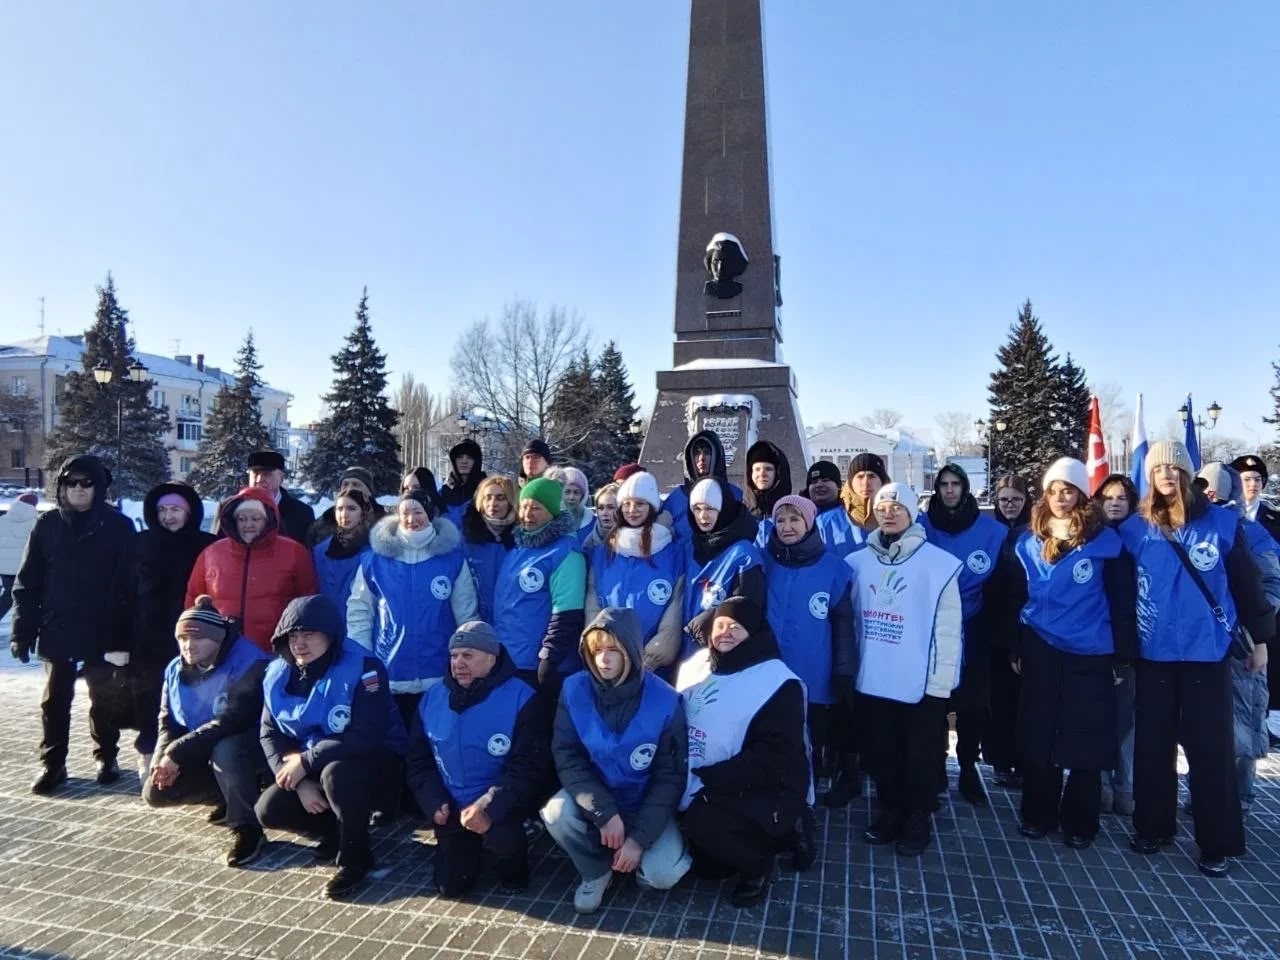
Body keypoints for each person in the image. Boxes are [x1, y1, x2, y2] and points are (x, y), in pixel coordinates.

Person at [1117, 441, 1273, 877]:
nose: (1166, 474)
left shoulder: (1222, 523)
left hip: (1207, 655)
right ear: (1150, 477)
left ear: (1188, 475)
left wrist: (1261, 639)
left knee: (1211, 750)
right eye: (1158, 469)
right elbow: (1121, 592)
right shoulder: (1135, 529)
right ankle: (1153, 826)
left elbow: (1246, 583)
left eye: (1174, 467)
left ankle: (1216, 841)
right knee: (1152, 747)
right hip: (1154, 655)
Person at [1004, 459, 1137, 849]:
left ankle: (1081, 820)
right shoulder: (1027, 540)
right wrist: (1015, 645)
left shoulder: (1106, 543)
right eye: (1053, 490)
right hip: (1040, 646)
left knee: (1086, 739)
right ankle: (1038, 813)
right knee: (1039, 732)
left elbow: (1121, 601)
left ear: (1080, 494)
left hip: (1090, 652)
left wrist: (1122, 656)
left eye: (1068, 490)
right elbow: (1014, 596)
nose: (1060, 498)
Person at [542, 608, 691, 914]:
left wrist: (638, 839)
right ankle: (596, 871)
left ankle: (638, 857)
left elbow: (669, 776)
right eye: (597, 650)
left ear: (632, 653)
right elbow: (568, 757)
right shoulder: (573, 689)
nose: (603, 659)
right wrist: (603, 812)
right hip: (599, 801)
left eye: (613, 650)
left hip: (645, 803)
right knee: (556, 812)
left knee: (663, 876)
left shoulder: (665, 700)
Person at [257, 595, 406, 899]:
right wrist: (297, 780)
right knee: (268, 809)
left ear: (331, 634)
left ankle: (356, 858)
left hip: (374, 761)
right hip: (312, 761)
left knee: (337, 775)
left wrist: (306, 763)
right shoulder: (276, 674)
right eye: (293, 636)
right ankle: (337, 831)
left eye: (309, 634)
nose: (299, 643)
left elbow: (366, 734)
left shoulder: (365, 668)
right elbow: (269, 732)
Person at [847, 483, 962, 857]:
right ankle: (890, 810)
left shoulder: (938, 564)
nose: (889, 512)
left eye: (897, 506)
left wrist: (941, 683)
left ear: (912, 512)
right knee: (882, 752)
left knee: (920, 755)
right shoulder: (856, 563)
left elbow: (948, 629)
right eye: (882, 506)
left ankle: (917, 817)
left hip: (920, 682)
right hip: (874, 678)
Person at [11, 455, 137, 793]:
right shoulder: (48, 525)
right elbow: (28, 583)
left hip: (103, 628)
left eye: (86, 482)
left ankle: (106, 755)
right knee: (54, 700)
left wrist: (124, 637)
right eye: (71, 483)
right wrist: (23, 632)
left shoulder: (119, 527)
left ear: (99, 487)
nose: (78, 489)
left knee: (104, 696)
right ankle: (53, 763)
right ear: (62, 487)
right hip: (59, 626)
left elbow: (129, 587)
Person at [676, 597, 809, 908]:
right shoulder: (697, 665)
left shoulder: (777, 681)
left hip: (762, 785)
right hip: (703, 776)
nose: (726, 633)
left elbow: (775, 754)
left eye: (737, 627)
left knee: (703, 823)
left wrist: (719, 778)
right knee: (707, 869)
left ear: (755, 633)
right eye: (720, 625)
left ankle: (759, 864)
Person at [406, 621, 553, 896]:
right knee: (451, 886)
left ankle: (520, 842)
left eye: (468, 655)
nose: (458, 663)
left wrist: (489, 806)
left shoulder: (523, 698)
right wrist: (434, 800)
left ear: (491, 658)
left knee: (513, 874)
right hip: (453, 806)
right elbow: (418, 761)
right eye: (454, 655)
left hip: (501, 806)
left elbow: (528, 767)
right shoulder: (432, 698)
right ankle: (468, 846)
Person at [762, 494, 855, 865]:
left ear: (809, 524)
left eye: (794, 520)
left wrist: (844, 672)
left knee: (804, 756)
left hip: (812, 679)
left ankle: (802, 825)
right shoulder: (763, 561)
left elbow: (844, 627)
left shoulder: (835, 569)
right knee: (769, 751)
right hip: (768, 677)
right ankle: (770, 821)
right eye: (780, 520)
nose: (787, 527)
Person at [143, 596, 270, 867]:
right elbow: (168, 721)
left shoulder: (250, 663)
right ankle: (228, 796)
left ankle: (247, 828)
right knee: (155, 792)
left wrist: (177, 752)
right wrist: (161, 762)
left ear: (217, 637)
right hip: (203, 743)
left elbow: (232, 721)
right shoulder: (175, 670)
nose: (188, 646)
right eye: (182, 639)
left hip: (254, 746)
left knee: (226, 749)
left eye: (198, 638)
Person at [346, 489, 478, 725]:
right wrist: (364, 658)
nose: (411, 519)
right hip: (390, 672)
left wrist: (466, 661)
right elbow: (360, 612)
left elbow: (466, 615)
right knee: (393, 744)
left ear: (429, 514)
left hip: (439, 673)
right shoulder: (375, 561)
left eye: (418, 511)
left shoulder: (452, 560)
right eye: (405, 512)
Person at [918, 462, 1008, 807]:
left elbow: (1001, 585)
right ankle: (938, 765)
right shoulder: (922, 527)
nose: (950, 490)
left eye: (956, 484)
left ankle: (969, 766)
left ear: (965, 488)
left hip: (974, 624)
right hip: (934, 624)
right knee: (937, 698)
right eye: (944, 484)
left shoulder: (991, 531)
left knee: (972, 703)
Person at [1196, 462, 1280, 815]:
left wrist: (1250, 630)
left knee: (1242, 724)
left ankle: (1240, 798)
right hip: (1203, 645)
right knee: (1205, 725)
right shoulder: (1191, 528)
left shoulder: (1249, 532)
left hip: (1239, 644)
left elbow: (1271, 586)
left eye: (1211, 490)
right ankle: (1201, 795)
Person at [133, 482, 217, 780]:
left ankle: (188, 760)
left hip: (196, 637)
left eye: (175, 510)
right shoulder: (140, 543)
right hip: (149, 637)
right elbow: (121, 591)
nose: (168, 516)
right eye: (162, 510)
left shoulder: (206, 544)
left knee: (195, 699)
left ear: (189, 512)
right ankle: (148, 755)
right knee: (150, 698)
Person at [186, 487, 318, 652]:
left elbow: (308, 602)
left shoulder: (294, 552)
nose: (248, 524)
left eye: (256, 518)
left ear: (268, 519)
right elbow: (193, 600)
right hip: (222, 653)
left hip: (276, 653)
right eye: (242, 519)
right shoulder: (211, 553)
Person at [586, 470, 686, 676]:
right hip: (605, 664)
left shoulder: (673, 554)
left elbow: (673, 616)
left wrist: (647, 660)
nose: (632, 510)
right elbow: (592, 606)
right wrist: (599, 649)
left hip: (651, 669)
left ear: (652, 507)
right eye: (627, 504)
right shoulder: (604, 552)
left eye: (640, 504)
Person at [492, 477, 586, 686]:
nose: (527, 514)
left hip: (539, 666)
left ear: (552, 512)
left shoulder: (565, 552)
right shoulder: (518, 549)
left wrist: (549, 658)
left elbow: (567, 611)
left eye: (536, 508)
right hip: (509, 659)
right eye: (524, 507)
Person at [1091, 473, 1141, 815]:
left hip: (1132, 645)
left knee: (1126, 721)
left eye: (1122, 497)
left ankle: (1125, 787)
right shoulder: (1091, 537)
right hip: (1094, 642)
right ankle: (1100, 785)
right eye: (1108, 497)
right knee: (1097, 719)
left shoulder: (1142, 537)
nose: (1114, 503)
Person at [682, 477, 765, 661]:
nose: (703, 516)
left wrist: (703, 625)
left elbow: (746, 609)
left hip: (722, 654)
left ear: (723, 510)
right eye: (697, 509)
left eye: (710, 509)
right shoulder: (690, 548)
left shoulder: (744, 554)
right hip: (685, 655)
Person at [986, 474, 1032, 788]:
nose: (1010, 505)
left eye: (1015, 499)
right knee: (998, 703)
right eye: (1004, 500)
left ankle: (1024, 761)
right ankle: (1001, 761)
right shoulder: (992, 533)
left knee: (1024, 703)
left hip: (1025, 626)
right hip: (993, 629)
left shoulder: (1033, 532)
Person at [1232, 454, 1280, 744]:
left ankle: (1264, 722)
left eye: (1257, 479)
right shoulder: (1222, 517)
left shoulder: (1273, 518)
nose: (1252, 484)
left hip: (1268, 607)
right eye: (1246, 479)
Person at [311, 487, 374, 631]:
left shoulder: (374, 552)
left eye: (351, 508)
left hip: (361, 630)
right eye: (339, 509)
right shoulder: (320, 551)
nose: (344, 514)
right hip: (325, 629)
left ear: (363, 512)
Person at [662, 431, 743, 542]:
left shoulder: (735, 495)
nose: (701, 458)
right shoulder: (676, 499)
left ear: (717, 456)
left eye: (707, 452)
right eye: (696, 453)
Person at [461, 475, 518, 623]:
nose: (493, 503)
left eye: (500, 498)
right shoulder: (465, 540)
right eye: (488, 497)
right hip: (476, 625)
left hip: (513, 626)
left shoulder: (522, 539)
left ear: (511, 502)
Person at [305, 466, 386, 549]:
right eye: (345, 484)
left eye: (356, 484)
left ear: (369, 492)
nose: (350, 488)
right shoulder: (323, 523)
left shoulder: (385, 522)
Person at [247, 450, 314, 544]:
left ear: (281, 478)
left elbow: (307, 554)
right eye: (255, 473)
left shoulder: (302, 514)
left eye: (267, 474)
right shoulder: (231, 510)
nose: (259, 479)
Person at [806, 461, 866, 559]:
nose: (819, 485)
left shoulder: (855, 515)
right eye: (813, 482)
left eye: (825, 480)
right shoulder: (801, 519)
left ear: (838, 486)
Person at [0, 492, 39, 624]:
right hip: (23, 566)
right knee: (26, 598)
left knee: (8, 595)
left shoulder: (2, 519)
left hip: (4, 568)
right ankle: (25, 629)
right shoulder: (36, 522)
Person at [743, 440, 792, 529]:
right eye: (757, 469)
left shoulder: (793, 512)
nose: (762, 474)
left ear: (778, 474)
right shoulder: (740, 514)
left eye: (768, 469)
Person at [440, 439, 486, 528]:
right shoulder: (443, 493)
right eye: (460, 457)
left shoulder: (487, 492)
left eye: (469, 457)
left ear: (476, 461)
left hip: (479, 541)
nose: (464, 461)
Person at [841, 452, 890, 535]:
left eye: (872, 476)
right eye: (860, 476)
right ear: (850, 482)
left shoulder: (903, 518)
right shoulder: (830, 520)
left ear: (882, 482)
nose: (866, 483)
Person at [546, 465, 595, 545]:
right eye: (567, 492)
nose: (571, 497)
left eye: (576, 492)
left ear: (583, 496)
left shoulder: (593, 522)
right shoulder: (549, 521)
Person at [581, 482, 620, 555]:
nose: (604, 513)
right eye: (601, 508)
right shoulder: (589, 544)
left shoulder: (634, 541)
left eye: (610, 507)